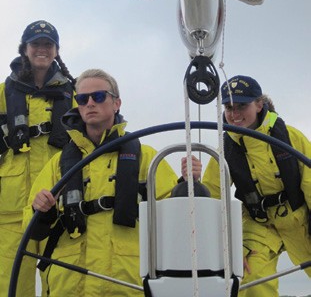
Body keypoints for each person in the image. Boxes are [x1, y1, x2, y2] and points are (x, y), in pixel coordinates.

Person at [24, 68, 202, 297]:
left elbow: (176, 218)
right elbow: (31, 227)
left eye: (98, 97)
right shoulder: (58, 163)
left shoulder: (147, 158)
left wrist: (187, 183)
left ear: (117, 103)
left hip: (126, 283)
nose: (90, 103)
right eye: (82, 98)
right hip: (68, 283)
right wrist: (42, 210)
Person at [202, 75, 311, 297]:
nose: (234, 114)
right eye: (229, 107)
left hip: (299, 219)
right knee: (250, 278)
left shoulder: (290, 136)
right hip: (259, 223)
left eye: (242, 105)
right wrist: (225, 245)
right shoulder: (224, 149)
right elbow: (212, 195)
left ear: (259, 104)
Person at [0, 20, 76, 297]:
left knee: (59, 282)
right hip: (9, 210)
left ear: (56, 50)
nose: (42, 49)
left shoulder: (76, 96)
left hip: (56, 203)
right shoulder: (2, 93)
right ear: (25, 49)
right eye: (36, 44)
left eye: (48, 44)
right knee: (10, 286)